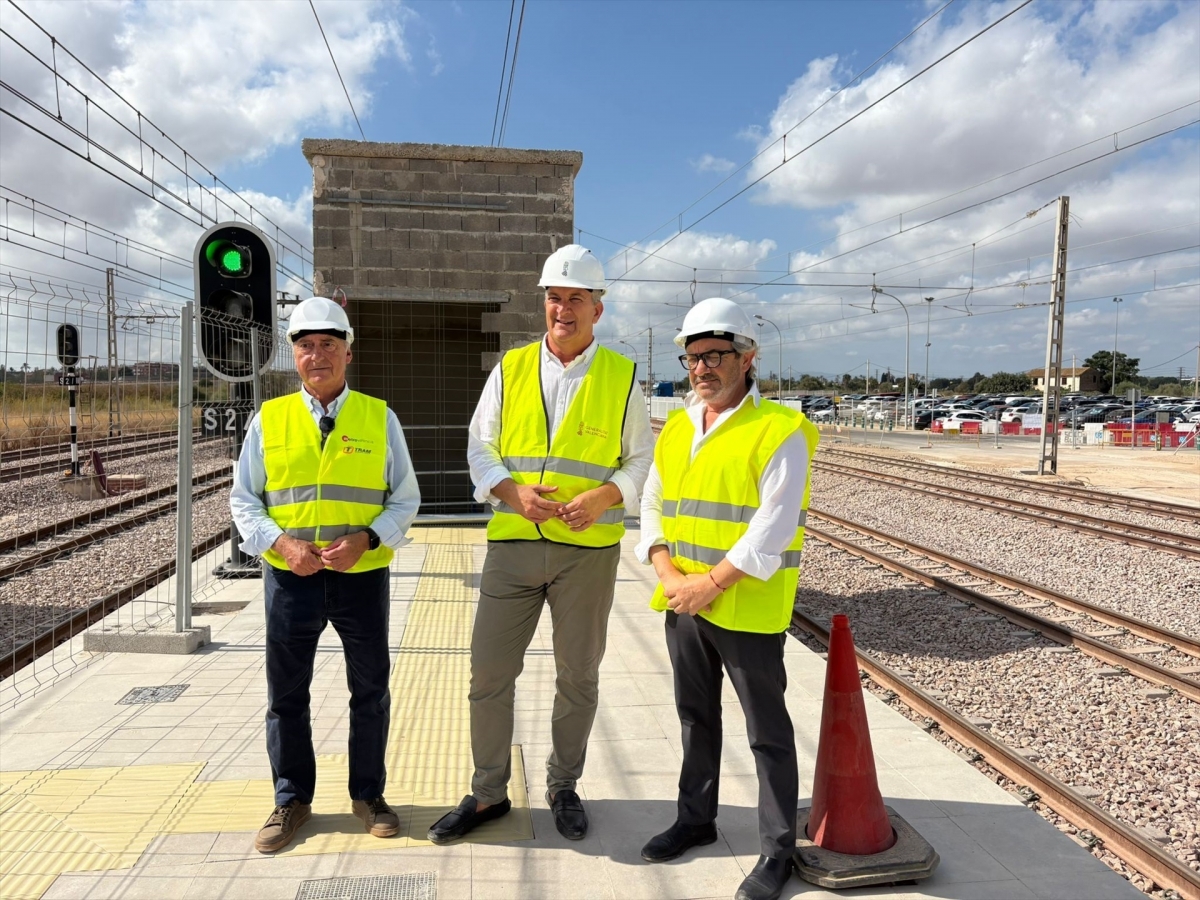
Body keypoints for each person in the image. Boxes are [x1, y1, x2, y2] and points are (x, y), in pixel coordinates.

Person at [427, 245, 654, 844]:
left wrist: (605, 497)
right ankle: (487, 793)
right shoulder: (511, 367)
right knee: (488, 674)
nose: (563, 309)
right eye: (554, 297)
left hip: (589, 553)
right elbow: (481, 446)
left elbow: (640, 460)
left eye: (576, 298)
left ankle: (562, 784)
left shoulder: (623, 376)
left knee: (578, 676)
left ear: (597, 309)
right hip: (514, 544)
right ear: (544, 303)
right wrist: (511, 492)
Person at [636, 297, 818, 900]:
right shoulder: (680, 426)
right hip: (684, 602)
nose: (701, 368)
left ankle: (777, 851)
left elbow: (773, 525)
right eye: (692, 357)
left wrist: (707, 584)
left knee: (767, 731)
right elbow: (653, 502)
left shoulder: (780, 431)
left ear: (748, 357)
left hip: (743, 607)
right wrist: (666, 572)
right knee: (695, 717)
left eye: (714, 355)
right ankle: (696, 820)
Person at [229, 295, 421, 853]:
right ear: (293, 356)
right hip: (291, 578)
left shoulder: (378, 417)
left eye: (329, 345)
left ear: (348, 353)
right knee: (286, 694)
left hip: (361, 577)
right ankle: (291, 800)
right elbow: (245, 501)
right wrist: (282, 544)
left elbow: (405, 498)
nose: (318, 356)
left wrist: (368, 538)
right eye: (307, 346)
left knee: (371, 690)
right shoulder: (270, 420)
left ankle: (369, 795)